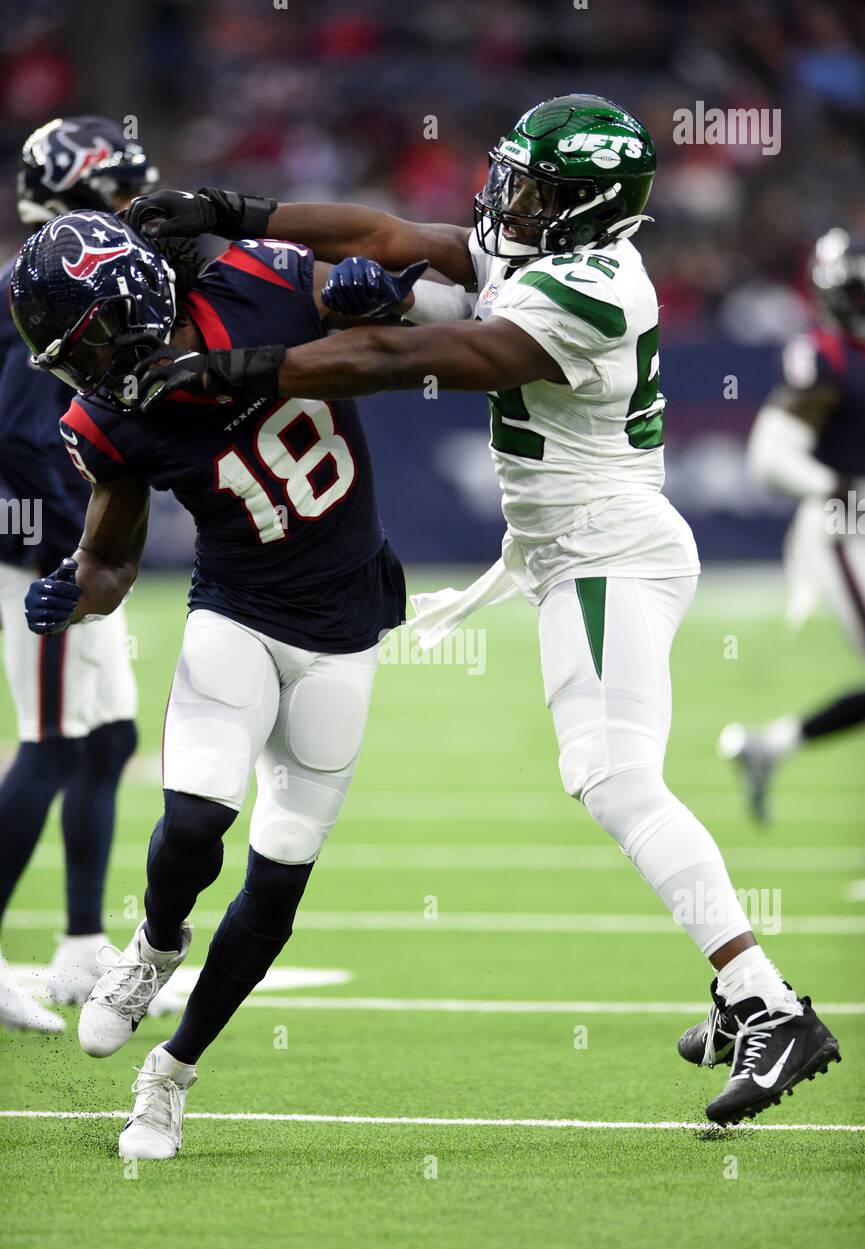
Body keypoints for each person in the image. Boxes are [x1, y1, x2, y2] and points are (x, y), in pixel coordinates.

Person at [123, 94, 841, 1126]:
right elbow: (384, 235)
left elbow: (399, 360)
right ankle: (746, 995)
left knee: (610, 776)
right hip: (572, 549)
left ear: (593, 207)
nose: (511, 199)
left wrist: (231, 368)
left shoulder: (598, 289)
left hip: (605, 548)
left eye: (539, 188)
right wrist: (233, 207)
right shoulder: (548, 251)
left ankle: (766, 1002)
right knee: (607, 774)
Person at [10, 199, 408, 1157]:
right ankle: (152, 944)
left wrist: (373, 292)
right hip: (236, 607)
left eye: (91, 343)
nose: (88, 369)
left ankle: (172, 1073)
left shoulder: (258, 286)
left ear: (135, 298)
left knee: (278, 880)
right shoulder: (109, 416)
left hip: (345, 626)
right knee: (194, 819)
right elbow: (110, 559)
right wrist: (76, 588)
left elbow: (397, 314)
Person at [0, 117, 160, 1033]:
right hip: (39, 552)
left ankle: (79, 945)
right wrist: (80, 548)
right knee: (54, 740)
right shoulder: (46, 281)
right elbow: (20, 433)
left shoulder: (62, 268)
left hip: (58, 542)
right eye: (121, 191)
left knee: (106, 738)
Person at [719, 228, 865, 822]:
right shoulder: (826, 358)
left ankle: (769, 746)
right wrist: (834, 485)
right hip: (844, 528)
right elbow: (770, 457)